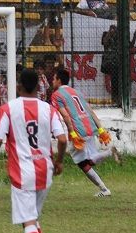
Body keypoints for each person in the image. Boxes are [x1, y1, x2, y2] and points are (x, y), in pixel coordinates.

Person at [0, 68, 67, 233]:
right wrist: (59, 161)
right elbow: (62, 139)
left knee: (28, 221)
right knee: (32, 219)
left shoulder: (9, 109)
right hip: (45, 171)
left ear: (19, 85)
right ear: (38, 87)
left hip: (22, 173)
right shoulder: (48, 109)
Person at [51, 68, 121, 197]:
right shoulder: (76, 92)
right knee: (89, 160)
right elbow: (90, 111)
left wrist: (72, 133)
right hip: (89, 126)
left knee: (82, 162)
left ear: (59, 80)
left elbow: (66, 116)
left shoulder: (56, 95)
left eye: (54, 79)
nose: (52, 81)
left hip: (78, 130)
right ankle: (105, 185)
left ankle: (104, 188)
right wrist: (101, 129)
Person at [101, 25, 136, 106]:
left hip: (120, 64)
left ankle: (122, 101)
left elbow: (130, 45)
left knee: (123, 82)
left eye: (115, 30)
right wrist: (109, 32)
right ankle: (115, 101)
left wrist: (135, 34)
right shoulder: (106, 34)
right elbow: (104, 42)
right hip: (110, 64)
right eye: (112, 29)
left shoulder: (121, 38)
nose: (114, 31)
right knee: (115, 83)